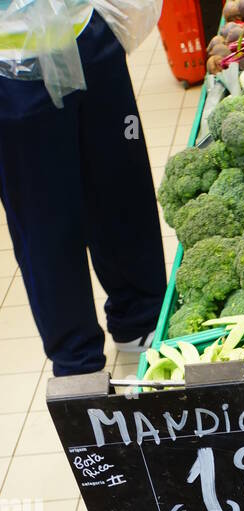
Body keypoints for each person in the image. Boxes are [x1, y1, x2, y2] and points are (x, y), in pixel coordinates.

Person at [0, 1, 167, 375]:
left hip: (86, 33)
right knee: (43, 221)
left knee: (122, 187)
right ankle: (78, 361)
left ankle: (142, 319)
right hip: (10, 67)